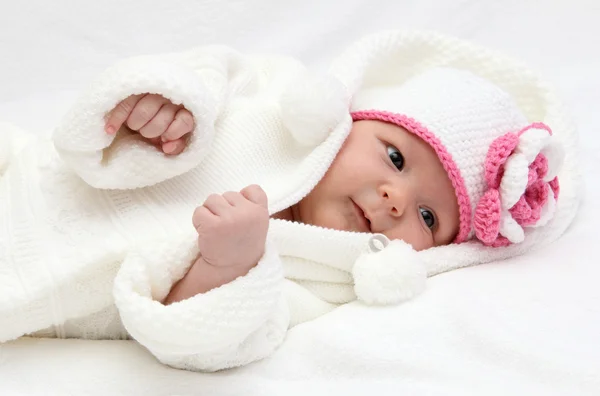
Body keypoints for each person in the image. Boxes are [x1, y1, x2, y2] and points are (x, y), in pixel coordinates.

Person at [0, 30, 567, 372]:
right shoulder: (271, 107)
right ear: (350, 119)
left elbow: (205, 341)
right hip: (26, 175)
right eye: (395, 157)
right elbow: (208, 70)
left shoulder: (325, 279)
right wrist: (165, 105)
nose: (396, 200)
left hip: (34, 292)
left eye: (428, 216)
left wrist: (229, 266)